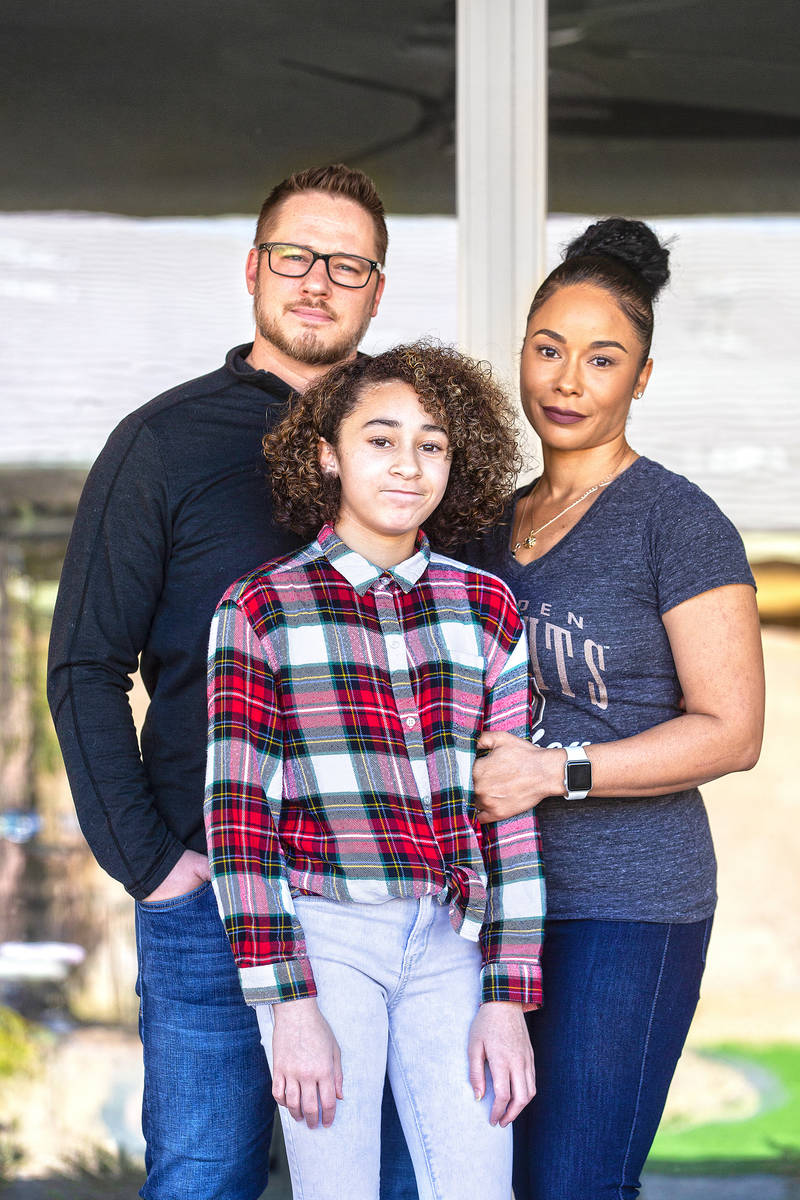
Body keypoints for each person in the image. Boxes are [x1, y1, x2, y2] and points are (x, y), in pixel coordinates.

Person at [46, 163, 418, 1200]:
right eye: (296, 256)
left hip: (385, 897)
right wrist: (152, 866)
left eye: (347, 265)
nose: (317, 281)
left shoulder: (408, 443)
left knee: (389, 1184)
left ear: (376, 291)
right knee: (204, 1180)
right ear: (253, 268)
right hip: (205, 892)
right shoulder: (160, 445)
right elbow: (82, 666)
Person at [462, 218, 765, 1200]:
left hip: (627, 904)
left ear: (639, 378)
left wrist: (554, 771)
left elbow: (732, 729)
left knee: (572, 1183)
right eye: (546, 349)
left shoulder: (676, 522)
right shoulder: (484, 525)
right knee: (483, 1174)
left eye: (601, 359)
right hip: (489, 905)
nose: (565, 379)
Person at [204, 343, 545, 1200]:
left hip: (451, 944)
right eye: (381, 440)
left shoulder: (487, 606)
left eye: (431, 444)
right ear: (328, 453)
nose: (408, 464)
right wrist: (289, 1002)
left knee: (479, 1189)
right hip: (327, 939)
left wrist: (507, 993)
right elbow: (239, 816)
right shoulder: (261, 607)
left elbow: (508, 808)